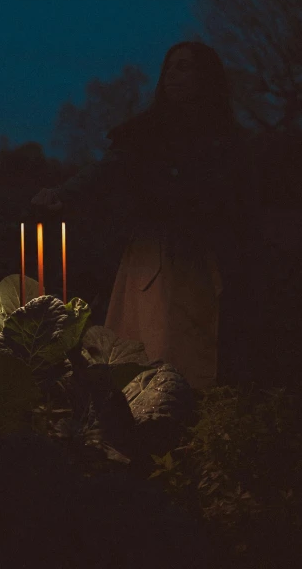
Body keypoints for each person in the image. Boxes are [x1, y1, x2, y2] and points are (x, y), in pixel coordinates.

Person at [31, 42, 260, 391]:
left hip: (202, 260)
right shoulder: (144, 133)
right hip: (151, 259)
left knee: (196, 359)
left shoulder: (226, 140)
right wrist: (61, 195)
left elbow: (242, 204)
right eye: (170, 66)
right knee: (149, 350)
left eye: (185, 67)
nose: (172, 74)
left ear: (206, 76)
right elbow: (105, 171)